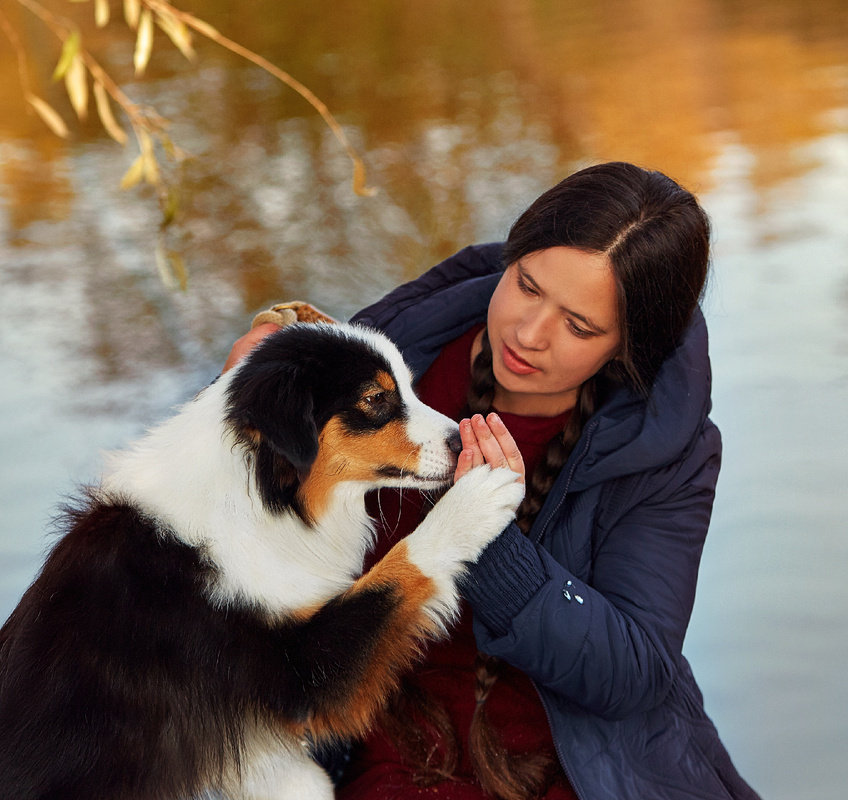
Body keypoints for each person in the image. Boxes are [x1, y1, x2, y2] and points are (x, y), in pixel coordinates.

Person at [226, 162, 760, 800]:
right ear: (512, 255)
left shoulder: (666, 448)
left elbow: (634, 674)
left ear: (628, 346)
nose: (529, 335)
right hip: (386, 743)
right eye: (527, 286)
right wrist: (238, 409)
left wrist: (483, 535)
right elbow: (214, 546)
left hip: (587, 766)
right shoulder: (395, 359)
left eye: (579, 326)